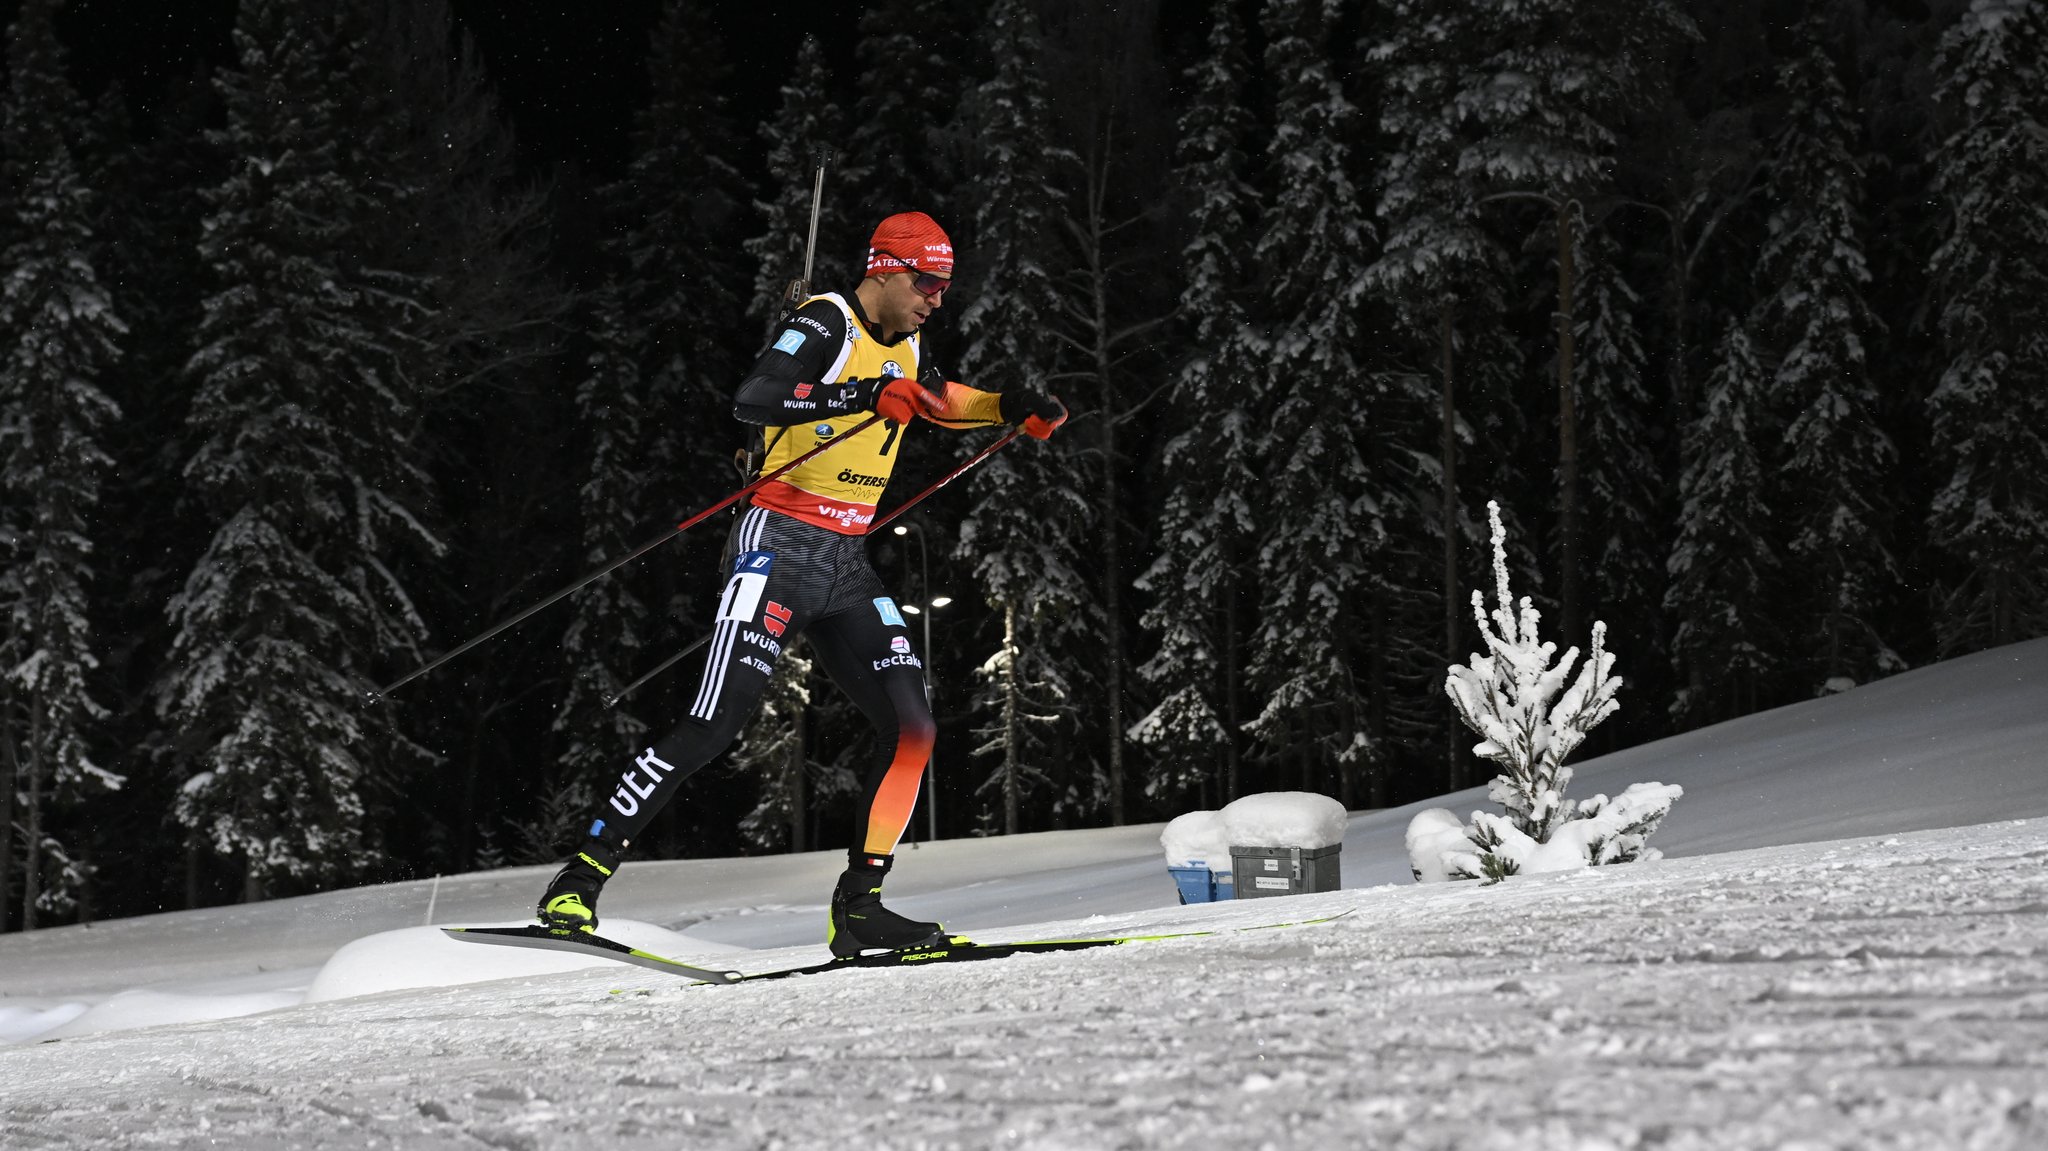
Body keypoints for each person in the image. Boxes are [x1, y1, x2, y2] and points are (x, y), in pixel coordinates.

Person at [535, 211, 1067, 956]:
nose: (936, 299)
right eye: (926, 283)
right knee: (715, 723)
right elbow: (754, 397)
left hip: (846, 561)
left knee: (914, 728)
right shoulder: (828, 321)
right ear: (884, 269)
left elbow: (939, 399)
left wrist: (1011, 407)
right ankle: (579, 877)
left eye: (944, 287)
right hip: (776, 544)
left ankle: (860, 908)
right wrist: (857, 396)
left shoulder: (909, 342)